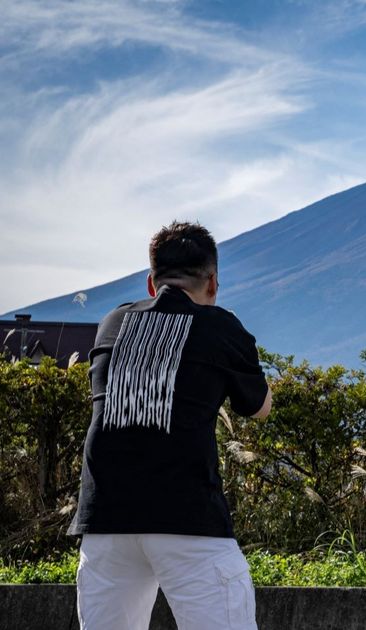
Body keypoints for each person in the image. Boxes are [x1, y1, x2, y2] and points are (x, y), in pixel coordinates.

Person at [69, 221, 272, 630]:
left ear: (150, 283)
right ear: (212, 284)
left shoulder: (112, 323)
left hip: (106, 519)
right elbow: (260, 408)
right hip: (187, 518)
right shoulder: (220, 326)